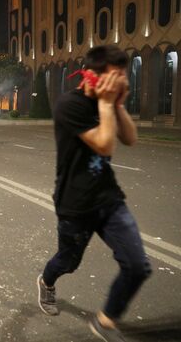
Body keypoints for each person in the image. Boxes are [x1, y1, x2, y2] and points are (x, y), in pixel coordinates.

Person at [37, 45, 151, 342]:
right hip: (75, 203)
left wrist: (119, 104)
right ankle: (47, 281)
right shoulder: (68, 105)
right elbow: (104, 144)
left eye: (123, 78)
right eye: (116, 78)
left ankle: (105, 321)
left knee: (138, 265)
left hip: (109, 198)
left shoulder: (109, 100)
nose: (121, 84)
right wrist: (106, 103)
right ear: (90, 76)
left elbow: (129, 138)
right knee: (68, 262)